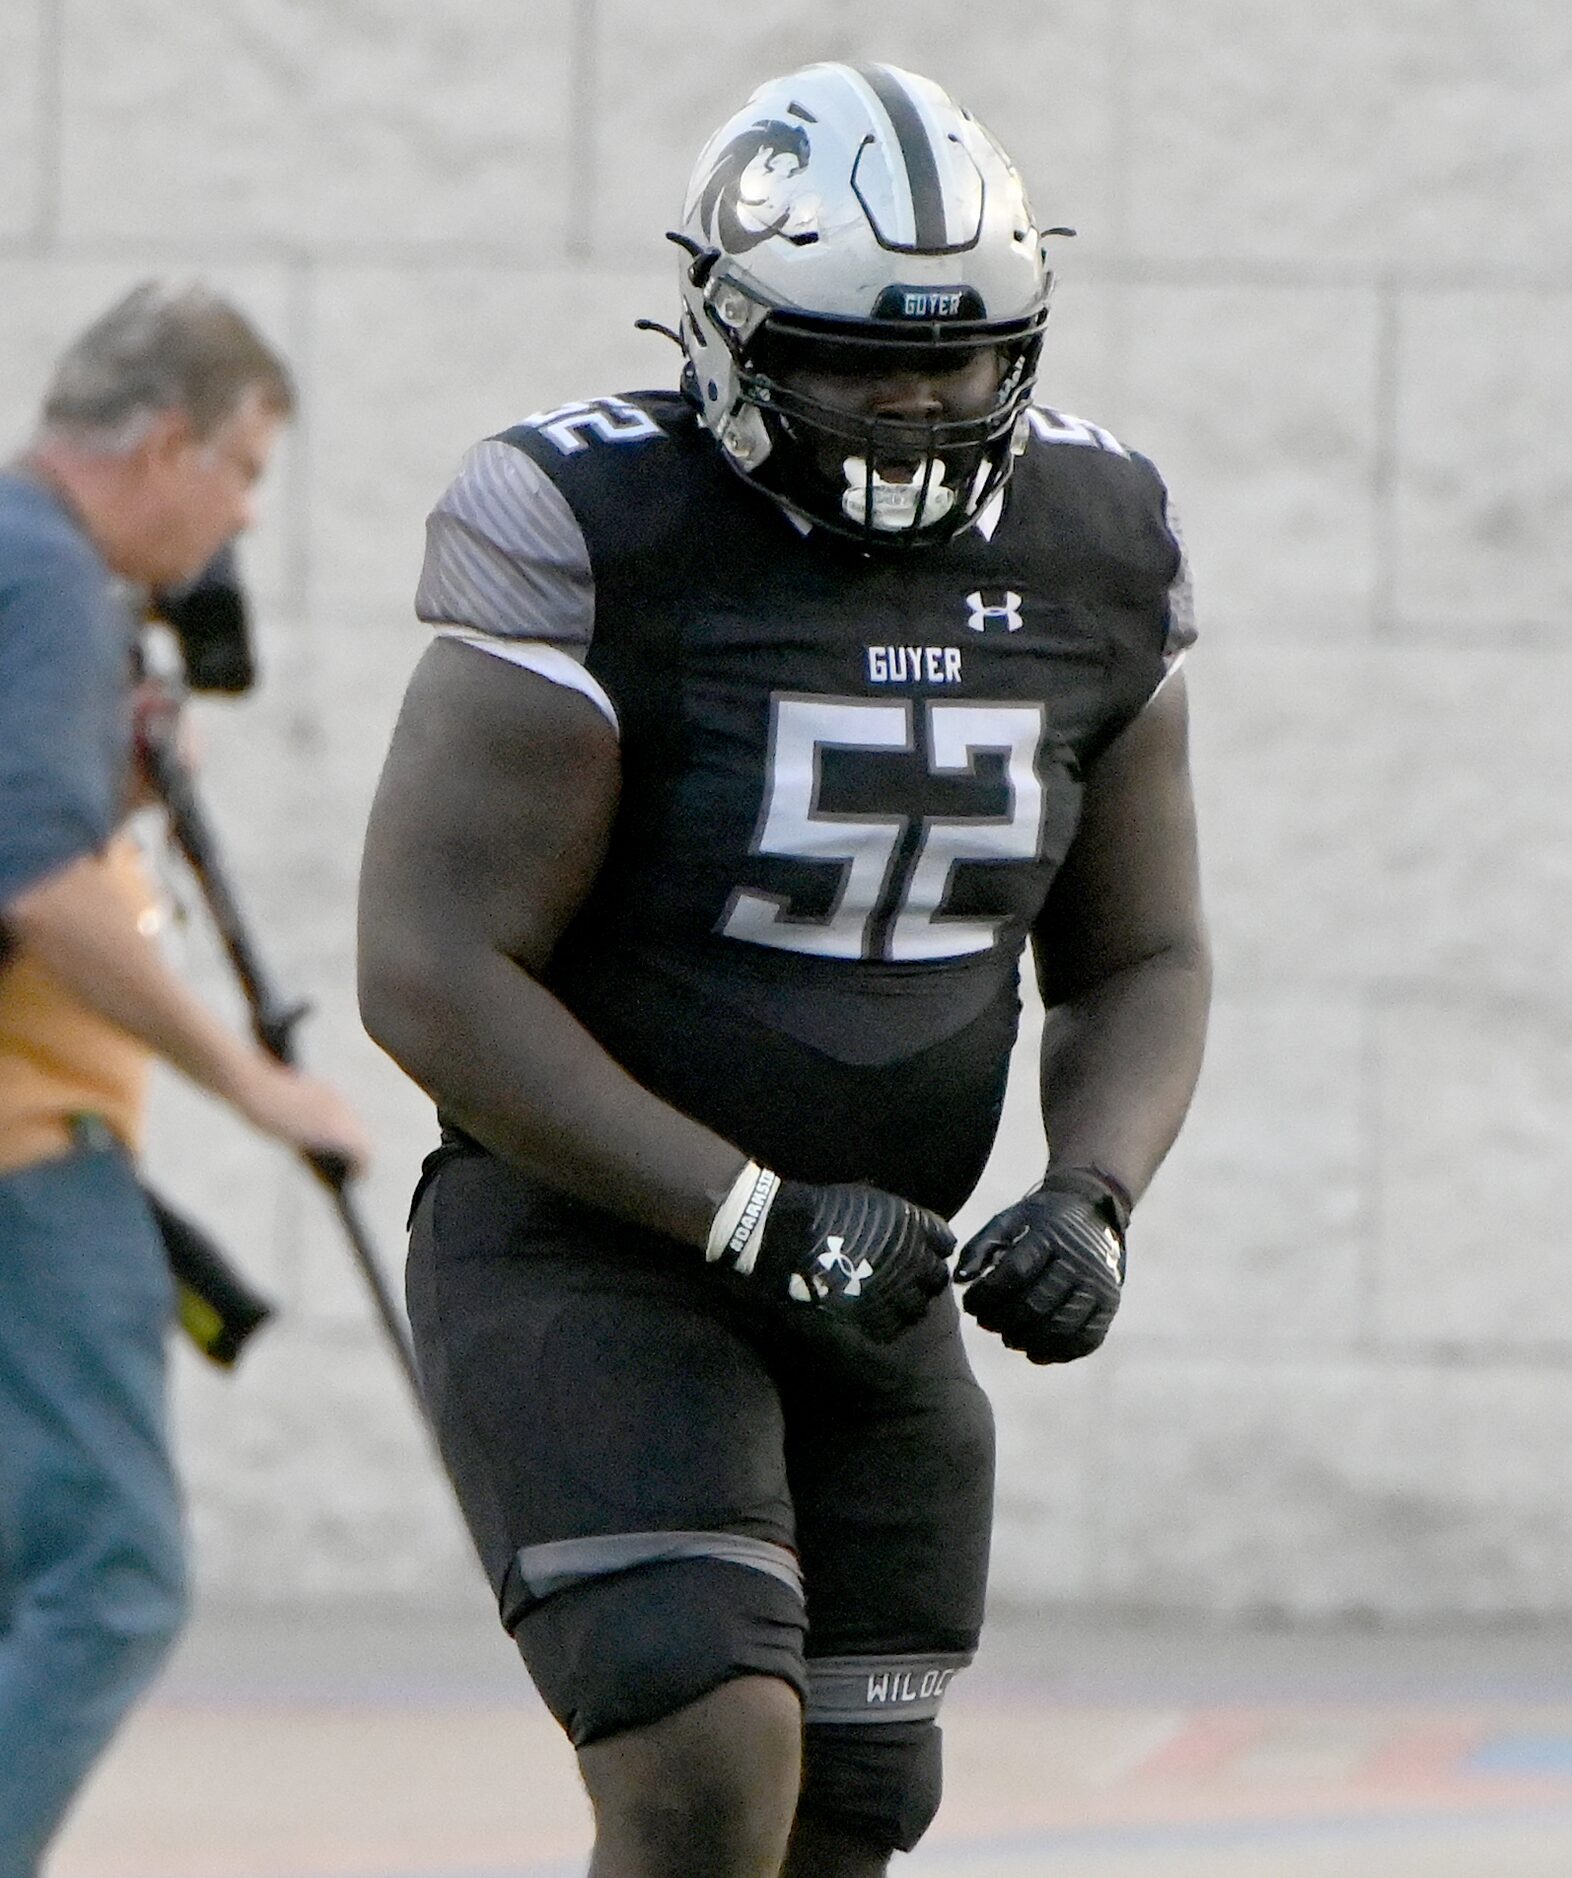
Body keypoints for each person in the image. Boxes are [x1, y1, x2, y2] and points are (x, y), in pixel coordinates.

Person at [358, 60, 1209, 1878]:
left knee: (852, 1807)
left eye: (958, 354)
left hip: (875, 1271)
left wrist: (1096, 1193)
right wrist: (743, 1207)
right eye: (848, 358)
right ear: (731, 331)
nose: (911, 402)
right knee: (698, 1756)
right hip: (596, 1243)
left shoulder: (1097, 541)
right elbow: (429, 967)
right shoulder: (598, 525)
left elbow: (1139, 950)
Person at [0, 282, 371, 1876]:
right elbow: (40, 880)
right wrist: (252, 1080)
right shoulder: (54, 587)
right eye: (244, 477)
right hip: (25, 1146)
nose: (241, 521)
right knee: (113, 1570)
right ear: (167, 444)